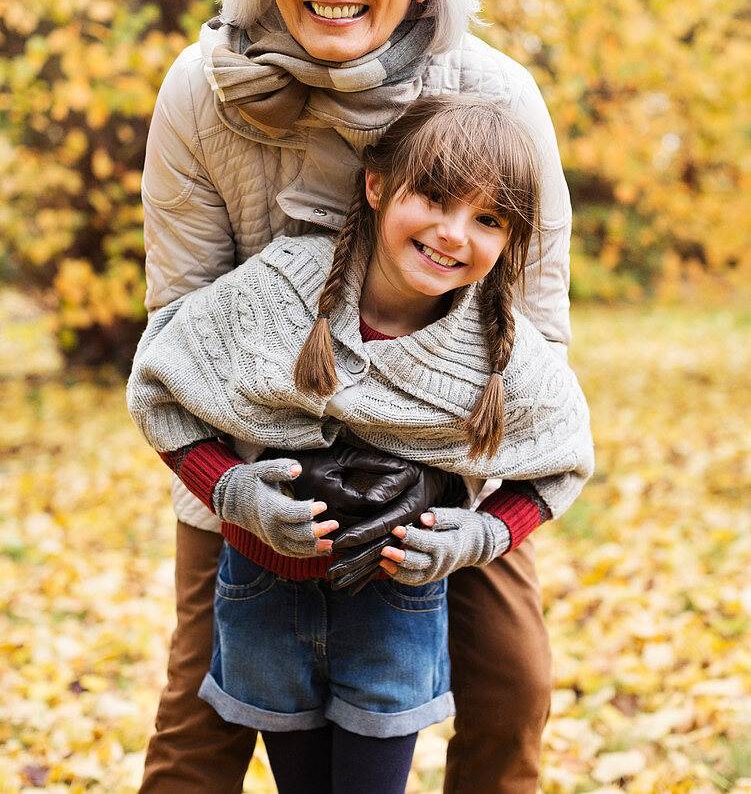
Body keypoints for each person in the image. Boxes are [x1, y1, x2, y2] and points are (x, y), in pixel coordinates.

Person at [138, 0, 573, 794]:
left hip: (448, 453)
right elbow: (175, 331)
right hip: (257, 453)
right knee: (199, 724)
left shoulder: (491, 95)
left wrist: (474, 516)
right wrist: (234, 493)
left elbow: (535, 327)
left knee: (512, 686)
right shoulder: (203, 94)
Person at [129, 97, 593, 794]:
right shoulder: (283, 287)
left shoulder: (501, 355)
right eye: (433, 198)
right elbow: (159, 386)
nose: (451, 233)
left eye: (487, 220)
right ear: (375, 186)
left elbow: (561, 463)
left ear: (508, 241)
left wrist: (481, 535)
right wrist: (230, 488)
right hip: (263, 592)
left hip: (394, 609)